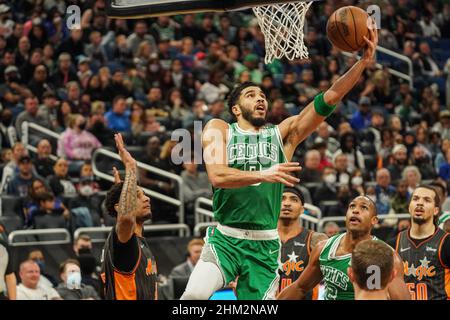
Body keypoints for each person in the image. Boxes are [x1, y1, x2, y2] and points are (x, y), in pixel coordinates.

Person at [181, 26, 379, 300]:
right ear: (236, 109)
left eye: (262, 95)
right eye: (251, 95)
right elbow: (218, 176)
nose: (260, 98)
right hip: (225, 238)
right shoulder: (220, 129)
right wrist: (266, 172)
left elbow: (330, 98)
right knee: (193, 297)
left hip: (264, 244)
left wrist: (362, 63)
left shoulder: (282, 134)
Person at [277, 195, 410, 300]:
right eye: (352, 207)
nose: (356, 210)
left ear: (374, 220)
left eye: (364, 208)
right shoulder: (323, 248)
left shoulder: (386, 256)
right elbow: (300, 287)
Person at [100, 134, 158, 300]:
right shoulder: (124, 243)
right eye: (137, 196)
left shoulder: (136, 238)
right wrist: (131, 167)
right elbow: (126, 218)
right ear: (120, 207)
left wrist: (121, 187)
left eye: (144, 194)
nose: (146, 198)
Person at [395, 186, 450, 300]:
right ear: (409, 207)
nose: (419, 203)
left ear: (436, 210)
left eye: (427, 200)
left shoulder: (446, 242)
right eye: (415, 199)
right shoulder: (395, 242)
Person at [277, 188, 327, 298]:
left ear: (302, 209)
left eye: (294, 200)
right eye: (282, 199)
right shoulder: (262, 239)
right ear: (274, 205)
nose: (287, 204)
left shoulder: (316, 239)